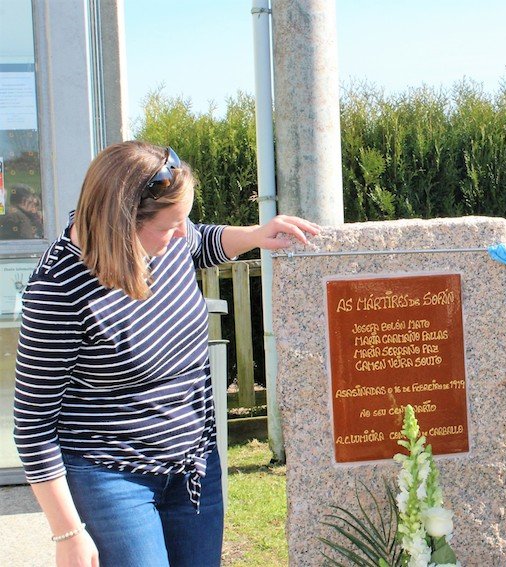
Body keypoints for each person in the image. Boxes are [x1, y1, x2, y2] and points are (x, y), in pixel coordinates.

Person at [13, 141, 320, 566]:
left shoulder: (167, 238)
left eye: (184, 219)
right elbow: (33, 425)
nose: (180, 233)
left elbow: (199, 241)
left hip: (194, 464)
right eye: (168, 225)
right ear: (121, 222)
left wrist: (253, 236)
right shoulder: (58, 290)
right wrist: (68, 532)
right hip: (112, 477)